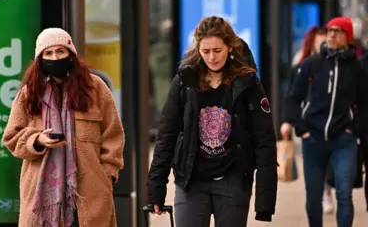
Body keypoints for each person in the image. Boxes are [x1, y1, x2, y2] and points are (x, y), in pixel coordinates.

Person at [147, 16, 278, 227]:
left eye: (217, 51)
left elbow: (265, 141)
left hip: (233, 180)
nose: (211, 57)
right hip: (191, 180)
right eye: (205, 51)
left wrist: (265, 201)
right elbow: (167, 135)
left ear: (230, 47)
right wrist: (156, 188)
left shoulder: (247, 83)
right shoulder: (185, 80)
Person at [2, 28, 125, 227]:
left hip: (89, 195)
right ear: (40, 58)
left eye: (60, 51)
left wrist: (106, 175)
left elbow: (113, 134)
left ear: (71, 55)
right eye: (48, 53)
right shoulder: (29, 93)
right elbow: (12, 137)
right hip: (41, 199)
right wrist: (37, 140)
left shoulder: (95, 88)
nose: (55, 57)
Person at [288, 17, 368, 227]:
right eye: (330, 30)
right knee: (313, 197)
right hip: (313, 139)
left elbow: (364, 103)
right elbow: (294, 97)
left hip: (344, 140)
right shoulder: (311, 64)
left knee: (344, 193)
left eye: (338, 31)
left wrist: (353, 129)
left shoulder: (357, 68)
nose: (332, 34)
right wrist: (301, 128)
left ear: (348, 37)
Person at [280, 26, 332, 212]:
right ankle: (317, 192)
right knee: (313, 161)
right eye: (320, 38)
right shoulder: (301, 65)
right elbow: (291, 95)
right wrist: (287, 121)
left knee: (329, 159)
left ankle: (325, 191)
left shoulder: (334, 64)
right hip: (306, 120)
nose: (324, 41)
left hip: (329, 120)